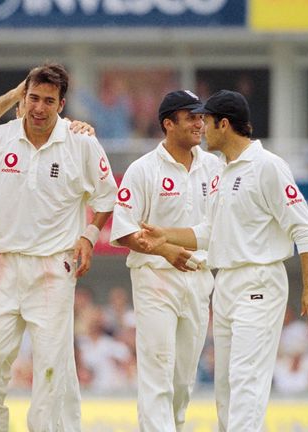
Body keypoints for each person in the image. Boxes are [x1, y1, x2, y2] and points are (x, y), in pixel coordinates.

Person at [0, 63, 118, 431]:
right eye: (33, 98)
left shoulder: (82, 142)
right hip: (0, 265)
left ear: (61, 104)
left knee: (52, 365)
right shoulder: (0, 138)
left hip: (53, 269)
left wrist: (89, 236)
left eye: (48, 101)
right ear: (24, 98)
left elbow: (106, 198)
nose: (39, 108)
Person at [138, 90, 308, 431]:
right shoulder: (222, 172)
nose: (201, 129)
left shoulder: (268, 166)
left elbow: (304, 228)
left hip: (259, 281)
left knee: (245, 381)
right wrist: (164, 235)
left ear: (224, 125)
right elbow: (210, 231)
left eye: (206, 122)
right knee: (224, 386)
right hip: (224, 283)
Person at [109, 90, 222, 431]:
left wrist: (171, 242)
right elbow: (125, 231)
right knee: (157, 371)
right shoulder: (143, 170)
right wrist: (164, 251)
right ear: (168, 124)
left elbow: (219, 227)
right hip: (154, 279)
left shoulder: (215, 167)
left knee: (183, 381)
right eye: (191, 117)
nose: (199, 124)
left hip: (199, 279)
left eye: (201, 117)